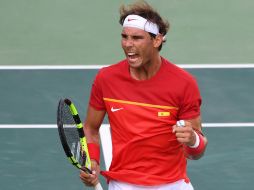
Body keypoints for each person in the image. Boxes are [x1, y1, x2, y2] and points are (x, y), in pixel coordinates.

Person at [80, 1, 208, 189]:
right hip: (124, 183)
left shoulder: (184, 83)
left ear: (156, 40)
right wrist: (93, 161)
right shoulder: (106, 79)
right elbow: (90, 129)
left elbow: (196, 152)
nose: (128, 45)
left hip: (172, 184)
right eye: (124, 37)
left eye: (137, 38)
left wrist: (192, 139)